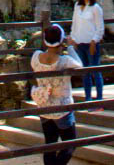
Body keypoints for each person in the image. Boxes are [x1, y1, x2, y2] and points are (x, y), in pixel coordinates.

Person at [31, 23, 82, 165]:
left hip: (44, 107)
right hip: (62, 109)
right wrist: (70, 47)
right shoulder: (65, 61)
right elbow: (79, 65)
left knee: (50, 144)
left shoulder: (35, 57)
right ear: (62, 40)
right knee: (70, 144)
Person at [68, 0, 104, 101]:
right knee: (84, 72)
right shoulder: (77, 6)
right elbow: (75, 23)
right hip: (79, 43)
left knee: (95, 71)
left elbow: (100, 27)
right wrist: (73, 38)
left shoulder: (95, 8)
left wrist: (94, 41)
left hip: (91, 44)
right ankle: (88, 98)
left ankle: (99, 98)